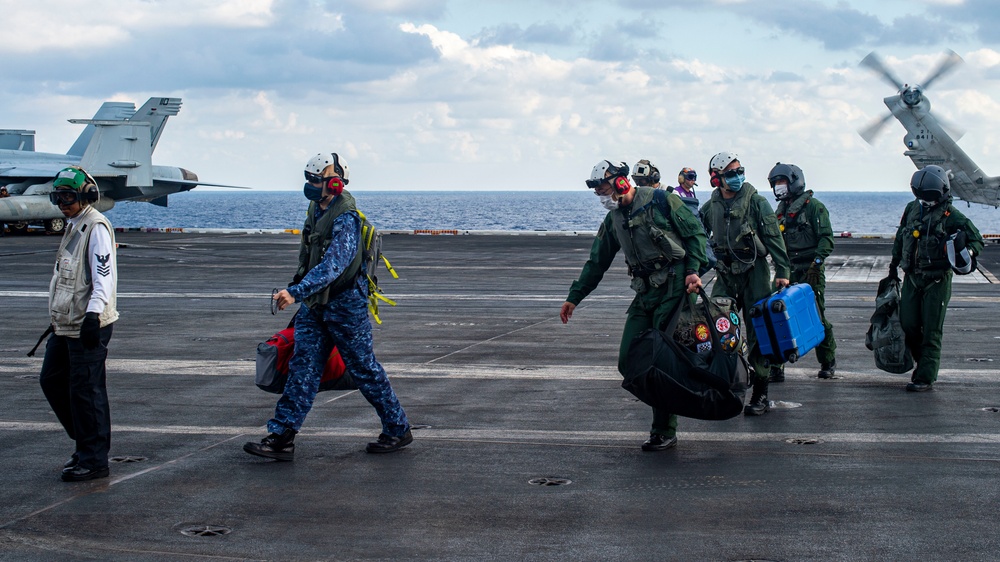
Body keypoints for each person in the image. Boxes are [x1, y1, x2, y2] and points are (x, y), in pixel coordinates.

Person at [244, 153, 412, 460]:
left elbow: (334, 265)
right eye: (308, 178)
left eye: (315, 180)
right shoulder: (316, 209)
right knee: (302, 369)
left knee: (364, 370)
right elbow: (309, 258)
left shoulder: (346, 218)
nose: (309, 185)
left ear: (334, 183)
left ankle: (398, 429)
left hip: (346, 307)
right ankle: (281, 437)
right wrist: (302, 292)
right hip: (315, 305)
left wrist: (295, 292)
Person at [561, 160, 708, 451]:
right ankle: (670, 402)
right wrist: (574, 297)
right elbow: (597, 262)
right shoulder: (613, 219)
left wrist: (693, 270)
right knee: (628, 360)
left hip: (674, 286)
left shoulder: (662, 201)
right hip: (645, 292)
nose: (601, 197)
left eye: (603, 190)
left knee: (660, 359)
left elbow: (696, 235)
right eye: (597, 193)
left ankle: (663, 429)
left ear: (620, 183)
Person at [38, 166, 118, 482]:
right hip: (66, 324)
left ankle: (95, 459)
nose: (63, 202)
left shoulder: (96, 227)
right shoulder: (74, 225)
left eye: (69, 196)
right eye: (59, 196)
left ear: (85, 195)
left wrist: (93, 315)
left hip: (88, 323)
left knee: (87, 392)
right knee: (52, 380)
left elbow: (104, 278)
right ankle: (85, 444)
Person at [700, 152, 790, 416]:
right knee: (718, 326)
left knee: (759, 329)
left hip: (755, 273)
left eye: (740, 171)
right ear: (716, 178)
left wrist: (782, 270)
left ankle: (761, 392)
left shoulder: (757, 203)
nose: (737, 177)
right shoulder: (711, 206)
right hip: (726, 273)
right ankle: (726, 382)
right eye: (731, 173)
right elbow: (697, 236)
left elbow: (774, 237)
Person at [889, 165, 984, 392]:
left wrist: (966, 252)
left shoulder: (952, 216)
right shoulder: (912, 209)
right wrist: (893, 267)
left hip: (937, 280)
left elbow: (976, 240)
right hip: (912, 277)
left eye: (929, 195)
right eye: (921, 195)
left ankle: (925, 377)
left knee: (932, 330)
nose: (926, 200)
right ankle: (922, 363)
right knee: (908, 323)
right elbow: (901, 239)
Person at [766, 163, 837, 382]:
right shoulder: (780, 212)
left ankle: (828, 360)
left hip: (810, 269)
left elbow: (827, 238)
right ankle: (777, 365)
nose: (779, 187)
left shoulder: (814, 208)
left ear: (794, 181)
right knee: (775, 315)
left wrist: (817, 261)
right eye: (776, 184)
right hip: (786, 269)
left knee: (816, 314)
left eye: (782, 182)